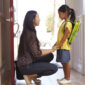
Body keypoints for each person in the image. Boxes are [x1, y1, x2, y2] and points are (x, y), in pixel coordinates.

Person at [17, 10, 58, 85]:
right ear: (32, 19)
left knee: (50, 56)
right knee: (54, 68)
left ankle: (32, 75)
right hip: (25, 66)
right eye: (38, 17)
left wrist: (51, 50)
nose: (39, 19)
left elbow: (36, 50)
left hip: (27, 62)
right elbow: (37, 53)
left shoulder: (29, 31)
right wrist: (52, 49)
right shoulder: (30, 34)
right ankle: (30, 76)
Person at [53, 5, 76, 84]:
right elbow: (60, 36)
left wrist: (60, 44)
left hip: (64, 47)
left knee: (66, 62)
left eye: (60, 14)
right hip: (61, 46)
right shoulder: (64, 23)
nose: (59, 16)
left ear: (65, 13)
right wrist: (56, 43)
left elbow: (66, 34)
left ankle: (68, 78)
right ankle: (65, 77)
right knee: (63, 62)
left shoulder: (68, 23)